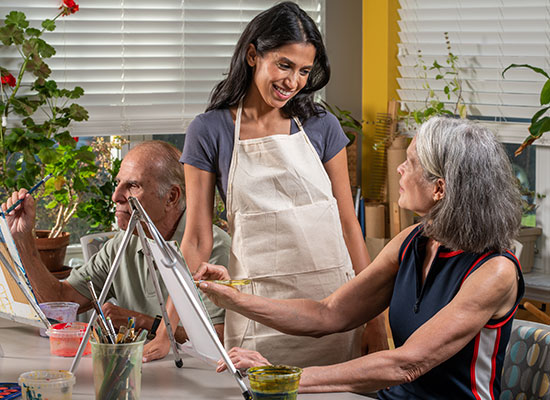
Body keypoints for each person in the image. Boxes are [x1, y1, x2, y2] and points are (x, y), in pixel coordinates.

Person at [194, 117, 525, 399]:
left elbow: (406, 363)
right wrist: (234, 300)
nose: (399, 168)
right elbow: (329, 313)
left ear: (439, 188)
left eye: (410, 162)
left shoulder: (495, 271)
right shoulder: (412, 242)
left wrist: (284, 377)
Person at [144, 1, 387, 365]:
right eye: (284, 65)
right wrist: (167, 332)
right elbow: (196, 238)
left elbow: (349, 227)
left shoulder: (322, 126)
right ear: (253, 55)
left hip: (334, 310)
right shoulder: (210, 131)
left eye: (304, 71)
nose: (294, 82)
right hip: (260, 314)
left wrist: (376, 322)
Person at [1, 140, 230, 346]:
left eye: (133, 186)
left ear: (171, 197)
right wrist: (23, 239)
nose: (116, 196)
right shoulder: (124, 242)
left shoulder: (215, 248)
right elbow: (59, 301)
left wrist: (142, 322)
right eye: (118, 183)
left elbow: (221, 337)